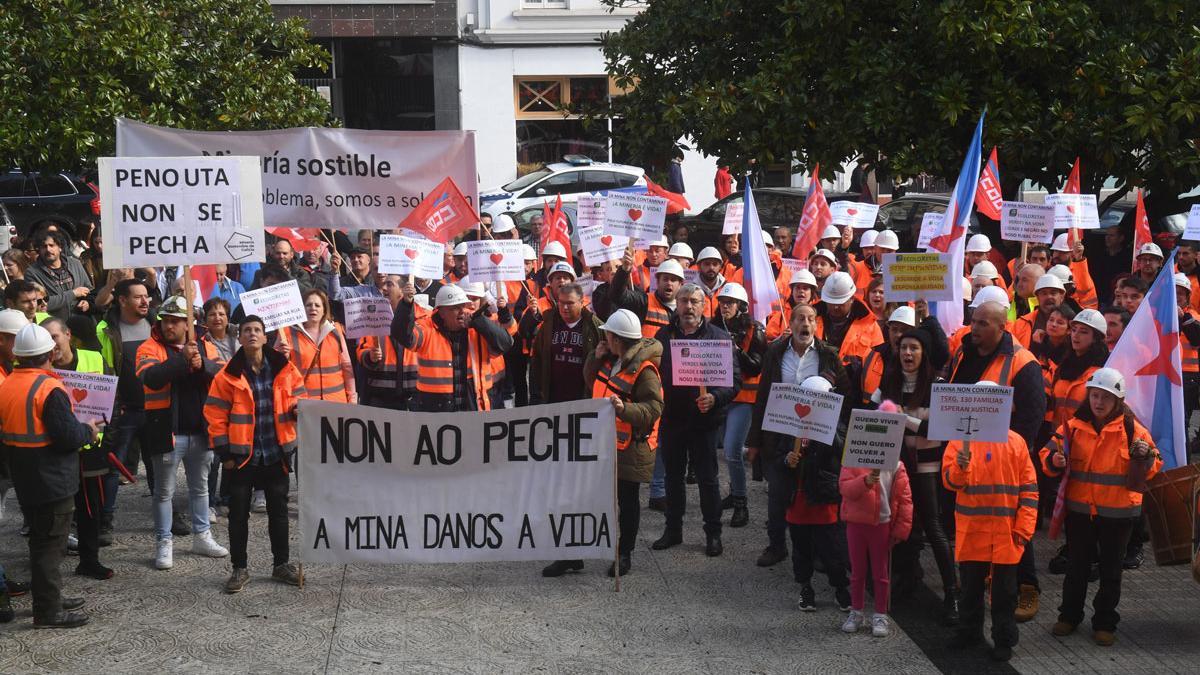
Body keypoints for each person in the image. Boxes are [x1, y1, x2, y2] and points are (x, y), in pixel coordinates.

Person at [1040, 368, 1162, 647]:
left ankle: (1105, 622)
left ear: (1118, 400)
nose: (1098, 402)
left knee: (1111, 571)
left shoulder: (1134, 430)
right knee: (1077, 568)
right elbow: (1047, 452)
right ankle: (1069, 617)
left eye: (1105, 397)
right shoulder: (1072, 427)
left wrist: (1145, 457)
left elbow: (1155, 464)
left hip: (1118, 515)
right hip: (1081, 512)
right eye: (1095, 395)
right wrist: (1053, 462)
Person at [947, 300, 1046, 621]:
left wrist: (1012, 454)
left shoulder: (1023, 362)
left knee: (1013, 526)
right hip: (968, 453)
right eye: (973, 322)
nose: (974, 329)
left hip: (1006, 458)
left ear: (1002, 327)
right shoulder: (964, 352)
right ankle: (986, 580)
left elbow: (1032, 415)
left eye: (982, 324)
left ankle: (1027, 588)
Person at [0, 323, 100, 627]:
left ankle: (48, 599)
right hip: (52, 478)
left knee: (41, 542)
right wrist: (89, 430)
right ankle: (48, 611)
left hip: (24, 474)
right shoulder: (49, 388)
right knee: (50, 546)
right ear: (49, 353)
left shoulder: (8, 384)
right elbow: (67, 436)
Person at [205, 315, 305, 593]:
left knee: (279, 512)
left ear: (265, 337)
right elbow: (214, 414)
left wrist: (298, 409)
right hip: (240, 456)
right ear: (240, 337)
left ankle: (281, 565)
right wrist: (224, 453)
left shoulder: (285, 369)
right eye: (247, 330)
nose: (251, 334)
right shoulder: (227, 375)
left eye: (257, 330)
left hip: (276, 452)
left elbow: (299, 396)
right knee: (238, 515)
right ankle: (240, 568)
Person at [746, 304, 848, 567]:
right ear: (790, 324)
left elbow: (845, 393)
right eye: (800, 318)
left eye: (811, 319)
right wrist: (755, 440)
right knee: (778, 491)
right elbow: (763, 396)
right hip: (780, 433)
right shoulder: (775, 352)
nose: (806, 323)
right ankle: (776, 545)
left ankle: (816, 551)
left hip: (816, 436)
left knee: (813, 490)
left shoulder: (828, 355)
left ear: (816, 326)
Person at [943, 386, 1039, 663]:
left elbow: (1030, 490)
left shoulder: (1016, 443)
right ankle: (969, 632)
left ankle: (1003, 639)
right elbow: (950, 483)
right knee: (971, 588)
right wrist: (961, 466)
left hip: (1006, 534)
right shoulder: (960, 442)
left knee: (1005, 593)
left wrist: (1023, 530)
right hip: (974, 532)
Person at [136, 295, 228, 569]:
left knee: (200, 488)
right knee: (164, 492)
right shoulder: (148, 347)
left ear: (189, 323)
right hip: (165, 431)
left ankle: (202, 536)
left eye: (176, 321)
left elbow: (223, 376)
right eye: (166, 320)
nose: (169, 326)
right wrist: (181, 360)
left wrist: (204, 366)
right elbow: (150, 378)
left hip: (200, 430)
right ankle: (164, 542)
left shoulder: (206, 347)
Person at [874, 328, 958, 622]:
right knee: (900, 526)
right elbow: (875, 416)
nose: (908, 354)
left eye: (914, 348)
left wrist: (900, 417)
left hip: (927, 467)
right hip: (896, 467)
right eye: (903, 348)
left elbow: (935, 430)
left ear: (924, 354)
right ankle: (906, 580)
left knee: (934, 528)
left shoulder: (939, 384)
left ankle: (952, 593)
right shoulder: (889, 380)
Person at [651, 283, 741, 557]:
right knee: (673, 479)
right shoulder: (663, 336)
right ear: (676, 305)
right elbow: (651, 373)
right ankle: (673, 530)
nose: (688, 307)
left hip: (705, 421)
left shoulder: (719, 338)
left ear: (704, 305)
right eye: (683, 301)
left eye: (694, 301)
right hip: (673, 419)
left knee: (708, 480)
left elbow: (734, 382)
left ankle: (713, 533)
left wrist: (715, 397)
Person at [575, 309, 663, 577]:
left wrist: (624, 408)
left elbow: (653, 408)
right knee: (586, 499)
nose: (604, 339)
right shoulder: (610, 359)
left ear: (617, 338)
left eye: (608, 335)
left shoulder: (645, 371)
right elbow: (591, 383)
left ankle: (624, 554)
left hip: (628, 449)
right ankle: (574, 553)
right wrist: (594, 357)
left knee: (627, 502)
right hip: (602, 442)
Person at [41, 317, 114, 580]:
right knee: (54, 511)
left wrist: (108, 437)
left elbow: (109, 398)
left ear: (68, 335)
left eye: (55, 337)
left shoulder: (93, 358)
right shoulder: (41, 366)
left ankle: (89, 559)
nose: (52, 345)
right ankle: (47, 565)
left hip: (90, 447)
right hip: (56, 450)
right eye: (46, 339)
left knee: (90, 507)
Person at [781, 375, 851, 613]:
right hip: (797, 498)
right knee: (801, 550)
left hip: (823, 498)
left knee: (832, 550)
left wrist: (826, 429)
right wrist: (786, 458)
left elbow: (842, 449)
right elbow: (779, 450)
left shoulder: (836, 425)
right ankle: (806, 588)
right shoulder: (791, 423)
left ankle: (841, 588)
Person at [94, 278, 153, 543]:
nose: (145, 302)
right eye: (138, 297)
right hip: (123, 410)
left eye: (146, 296)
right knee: (113, 467)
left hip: (154, 408)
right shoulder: (105, 329)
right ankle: (104, 519)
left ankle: (167, 514)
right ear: (122, 300)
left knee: (158, 465)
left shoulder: (156, 324)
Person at [393, 284, 514, 412]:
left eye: (463, 305)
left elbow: (506, 343)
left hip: (474, 407)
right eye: (455, 308)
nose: (462, 311)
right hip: (436, 408)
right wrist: (406, 305)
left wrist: (479, 323)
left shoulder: (476, 324)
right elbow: (402, 335)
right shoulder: (427, 328)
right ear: (441, 312)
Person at [838, 442, 913, 638]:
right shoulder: (852, 460)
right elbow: (845, 488)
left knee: (880, 573)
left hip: (882, 524)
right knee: (857, 571)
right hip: (856, 523)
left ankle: (880, 614)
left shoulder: (896, 465)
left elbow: (905, 499)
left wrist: (900, 529)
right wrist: (865, 481)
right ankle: (857, 611)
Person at [711, 283, 766, 528]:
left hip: (743, 398)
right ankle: (734, 492)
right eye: (722, 301)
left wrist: (735, 351)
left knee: (733, 450)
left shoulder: (755, 329)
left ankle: (741, 502)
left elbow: (757, 366)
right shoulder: (712, 326)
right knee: (720, 450)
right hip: (718, 395)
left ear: (741, 306)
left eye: (730, 302)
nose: (725, 306)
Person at [529, 282, 602, 408]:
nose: (565, 307)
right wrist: (537, 393)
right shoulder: (549, 323)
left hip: (582, 398)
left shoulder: (594, 326)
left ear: (581, 302)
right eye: (561, 302)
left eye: (570, 303)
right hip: (552, 397)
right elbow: (537, 357)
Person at [277, 289, 357, 404]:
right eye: (308, 305)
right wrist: (281, 356)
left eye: (317, 305)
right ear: (301, 309)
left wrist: (352, 398)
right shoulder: (286, 333)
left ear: (324, 310)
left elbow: (347, 367)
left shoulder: (336, 331)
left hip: (337, 404)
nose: (313, 308)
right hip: (304, 405)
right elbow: (277, 371)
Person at [813, 271, 883, 371]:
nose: (836, 307)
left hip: (853, 383)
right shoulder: (810, 319)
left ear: (852, 299)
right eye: (831, 303)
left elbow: (879, 362)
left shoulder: (870, 326)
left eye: (840, 303)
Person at [23, 228, 93, 321]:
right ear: (38, 249)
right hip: (53, 326)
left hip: (81, 323)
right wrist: (72, 294)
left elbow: (89, 289)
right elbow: (39, 304)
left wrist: (87, 302)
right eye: (44, 246)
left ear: (60, 247)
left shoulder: (75, 263)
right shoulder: (32, 273)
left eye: (51, 245)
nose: (48, 249)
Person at [1012, 274, 1067, 348]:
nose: (1049, 297)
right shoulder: (1020, 324)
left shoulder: (1073, 324)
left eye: (1053, 293)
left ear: (1062, 296)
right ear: (1037, 298)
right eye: (1044, 293)